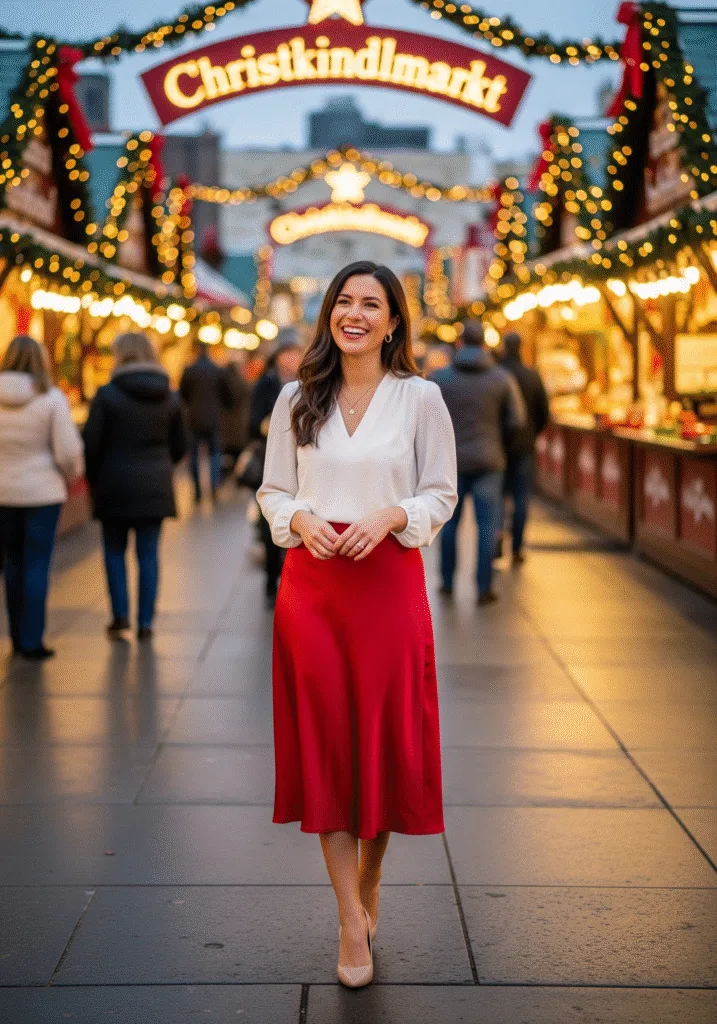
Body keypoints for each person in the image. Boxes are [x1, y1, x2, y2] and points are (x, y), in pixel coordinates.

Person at [257, 261, 457, 989]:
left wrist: (394, 513)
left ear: (393, 321)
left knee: (382, 746)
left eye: (371, 304)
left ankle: (370, 881)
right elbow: (273, 488)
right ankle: (349, 916)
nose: (355, 313)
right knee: (329, 752)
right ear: (328, 313)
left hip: (387, 584)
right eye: (344, 300)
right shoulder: (294, 397)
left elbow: (441, 491)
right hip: (312, 588)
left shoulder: (420, 398)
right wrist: (298, 518)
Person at [82, 332, 187, 640]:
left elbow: (91, 444)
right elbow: (182, 444)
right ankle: (145, 622)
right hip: (155, 486)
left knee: (114, 552)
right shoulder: (169, 395)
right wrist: (161, 464)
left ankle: (120, 617)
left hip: (113, 485)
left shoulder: (107, 394)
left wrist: (94, 478)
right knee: (148, 555)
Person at [0, 335, 84, 659]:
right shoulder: (51, 398)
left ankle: (16, 636)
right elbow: (68, 451)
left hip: (3, 494)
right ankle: (32, 640)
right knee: (37, 564)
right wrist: (71, 476)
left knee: (12, 563)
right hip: (42, 494)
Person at [431, 320, 525, 605]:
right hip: (489, 461)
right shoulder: (500, 378)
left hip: (451, 463)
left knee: (449, 524)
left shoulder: (440, 378)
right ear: (484, 343)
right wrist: (500, 444)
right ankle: (484, 587)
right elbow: (517, 420)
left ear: (459, 343)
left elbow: (426, 420)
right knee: (487, 525)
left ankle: (447, 581)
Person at [249, 332, 304, 605]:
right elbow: (252, 422)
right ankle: (272, 580)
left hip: (303, 464)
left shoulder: (312, 382)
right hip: (269, 461)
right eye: (286, 352)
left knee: (300, 520)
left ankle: (290, 577)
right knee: (272, 522)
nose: (291, 358)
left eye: (296, 352)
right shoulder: (267, 383)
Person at [500, 331, 550, 564]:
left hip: (499, 445)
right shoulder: (532, 375)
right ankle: (518, 547)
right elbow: (544, 412)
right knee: (521, 497)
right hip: (524, 445)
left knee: (498, 496)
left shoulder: (497, 374)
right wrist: (531, 434)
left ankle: (497, 541)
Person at [179, 342, 232, 502]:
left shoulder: (189, 370)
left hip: (194, 418)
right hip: (214, 418)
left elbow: (182, 394)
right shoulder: (218, 370)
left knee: (194, 455)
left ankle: (197, 490)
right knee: (215, 454)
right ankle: (214, 486)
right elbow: (228, 394)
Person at [220, 354, 251, 477]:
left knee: (225, 458)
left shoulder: (224, 385)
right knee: (237, 457)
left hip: (225, 428)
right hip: (239, 427)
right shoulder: (243, 383)